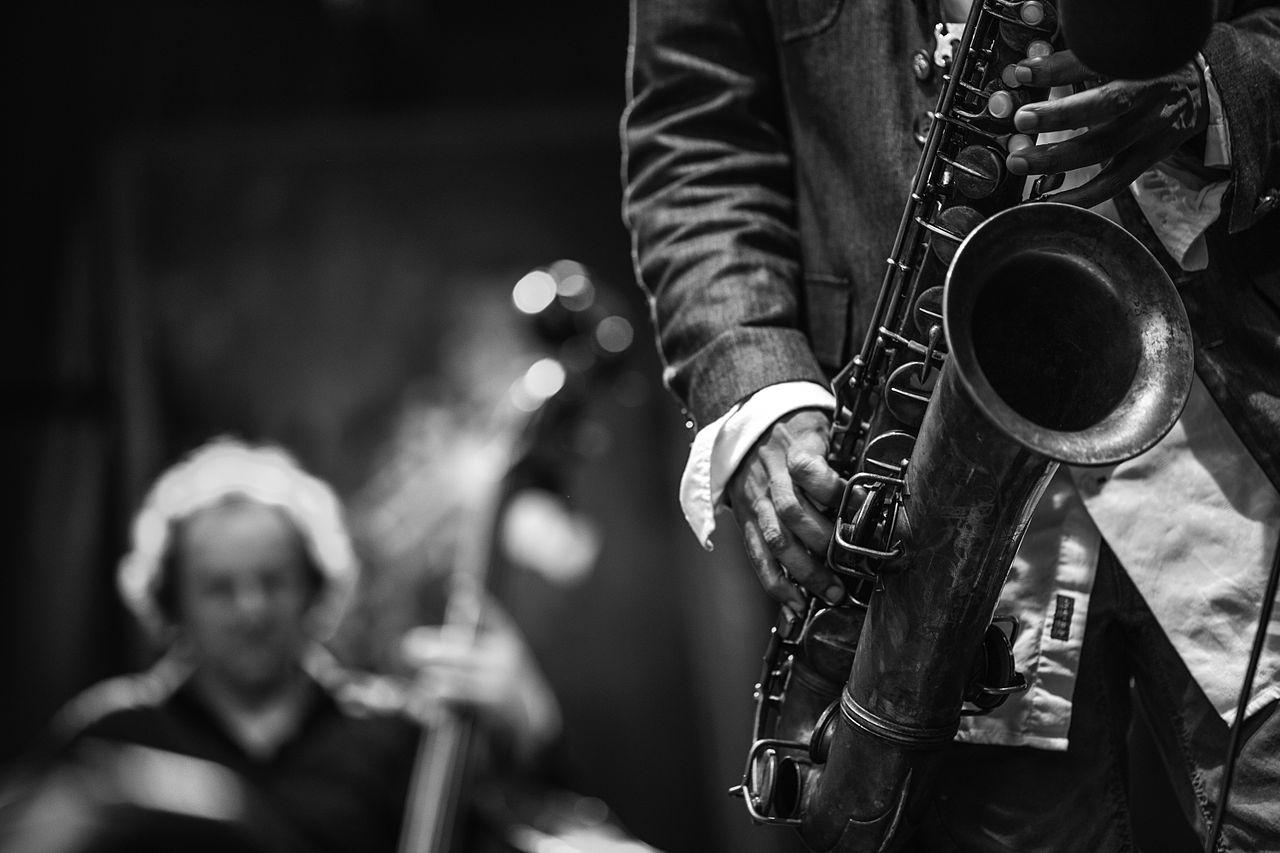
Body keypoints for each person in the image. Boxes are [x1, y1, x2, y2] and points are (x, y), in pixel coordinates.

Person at [622, 0, 1279, 850]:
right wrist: (757, 392)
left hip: (1238, 431)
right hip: (924, 462)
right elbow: (693, 144)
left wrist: (1210, 93)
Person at [1, 438, 560, 853]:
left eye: (272, 581)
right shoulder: (109, 735)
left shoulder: (397, 739)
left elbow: (542, 838)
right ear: (172, 605)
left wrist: (534, 730)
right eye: (220, 588)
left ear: (316, 590)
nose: (251, 609)